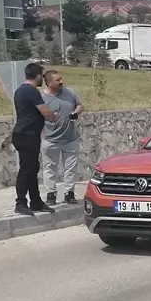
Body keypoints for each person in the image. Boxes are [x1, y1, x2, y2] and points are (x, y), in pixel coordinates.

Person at [11, 63, 58, 215]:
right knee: (26, 170)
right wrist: (54, 116)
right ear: (37, 76)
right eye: (41, 76)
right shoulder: (31, 91)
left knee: (32, 169)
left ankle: (36, 202)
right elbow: (45, 112)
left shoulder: (20, 90)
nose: (42, 79)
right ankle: (20, 203)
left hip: (25, 134)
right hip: (27, 135)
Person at [40, 69, 84, 205]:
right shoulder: (41, 98)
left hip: (70, 138)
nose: (61, 82)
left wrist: (76, 113)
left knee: (70, 168)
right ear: (48, 82)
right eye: (57, 80)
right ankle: (51, 194)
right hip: (51, 140)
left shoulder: (69, 92)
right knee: (50, 168)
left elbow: (80, 105)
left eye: (61, 79)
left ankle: (69, 193)